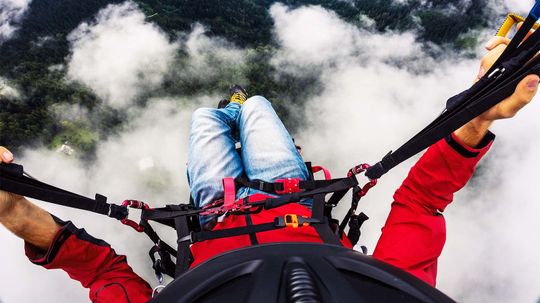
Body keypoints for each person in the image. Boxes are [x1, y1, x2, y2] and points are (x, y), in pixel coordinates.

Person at [0, 35, 538, 302]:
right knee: (255, 105)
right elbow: (422, 202)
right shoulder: (384, 292)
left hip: (214, 203)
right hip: (290, 189)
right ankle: (242, 104)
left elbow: (103, 274)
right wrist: (476, 118)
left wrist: (17, 213)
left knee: (205, 118)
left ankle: (228, 108)